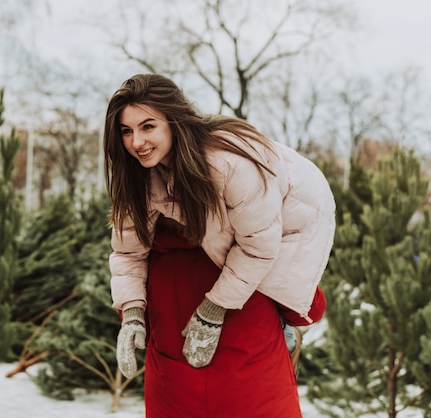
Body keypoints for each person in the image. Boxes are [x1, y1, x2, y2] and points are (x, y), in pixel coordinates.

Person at [104, 73, 335, 418]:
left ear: (173, 120)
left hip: (244, 295)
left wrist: (212, 311)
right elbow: (127, 251)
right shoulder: (135, 175)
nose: (137, 141)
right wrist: (133, 315)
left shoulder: (228, 163)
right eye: (126, 130)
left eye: (147, 126)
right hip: (173, 325)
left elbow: (259, 246)